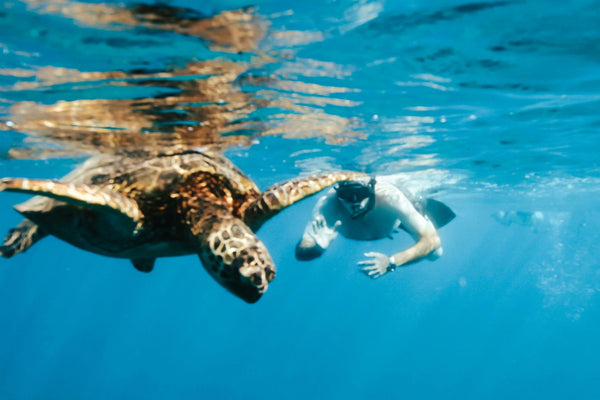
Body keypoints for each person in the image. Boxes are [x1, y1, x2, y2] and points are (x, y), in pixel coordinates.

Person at [295, 176, 455, 278]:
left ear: (370, 189)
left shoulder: (390, 197)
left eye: (361, 193)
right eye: (347, 195)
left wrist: (392, 262)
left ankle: (422, 208)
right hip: (385, 224)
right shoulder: (326, 207)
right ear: (338, 193)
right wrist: (317, 248)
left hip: (398, 217)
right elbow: (302, 251)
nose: (355, 202)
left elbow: (432, 242)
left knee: (436, 254)